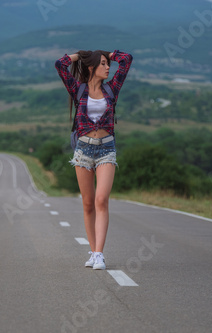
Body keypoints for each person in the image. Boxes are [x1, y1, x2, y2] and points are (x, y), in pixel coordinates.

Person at [55, 49, 133, 270]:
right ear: (91, 68)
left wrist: (107, 53)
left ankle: (99, 254)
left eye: (108, 64)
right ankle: (93, 251)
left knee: (101, 200)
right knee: (88, 203)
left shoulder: (112, 88)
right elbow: (59, 65)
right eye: (103, 64)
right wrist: (81, 56)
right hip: (83, 151)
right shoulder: (77, 90)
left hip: (107, 149)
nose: (108, 67)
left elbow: (126, 59)